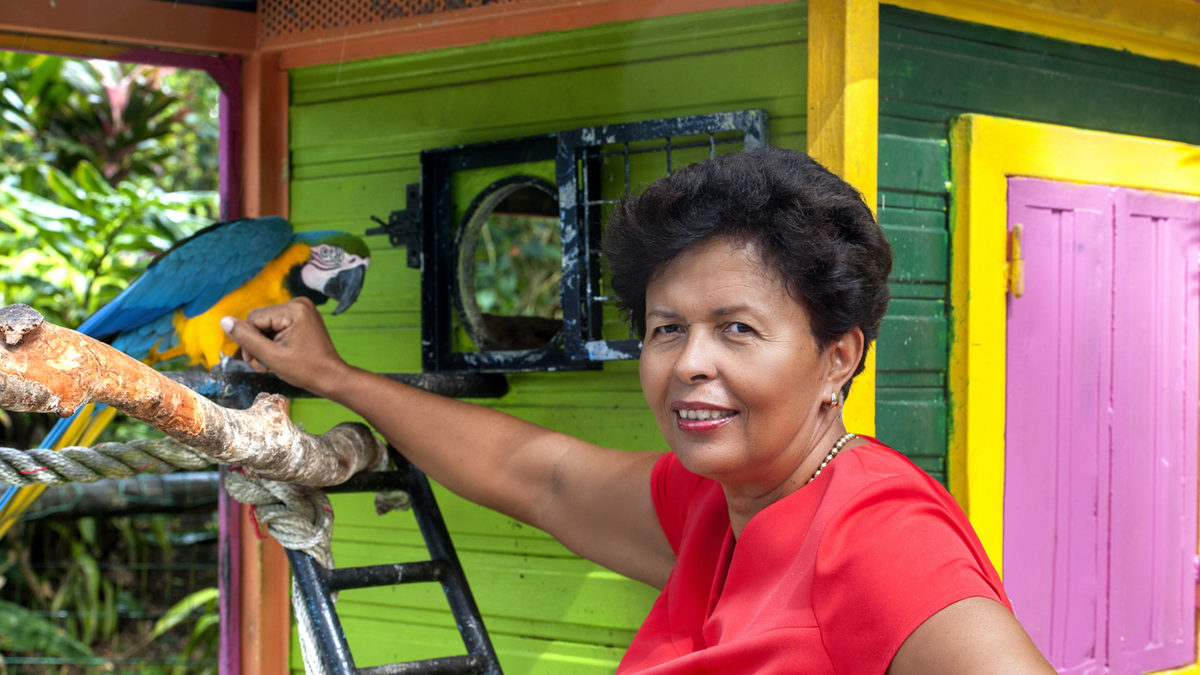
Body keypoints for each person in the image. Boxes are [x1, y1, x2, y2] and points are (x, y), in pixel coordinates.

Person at [222, 148, 1053, 674]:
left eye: (736, 328)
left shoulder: (876, 537)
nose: (690, 361)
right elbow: (536, 476)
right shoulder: (714, 506)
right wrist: (335, 377)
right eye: (667, 329)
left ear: (839, 356)